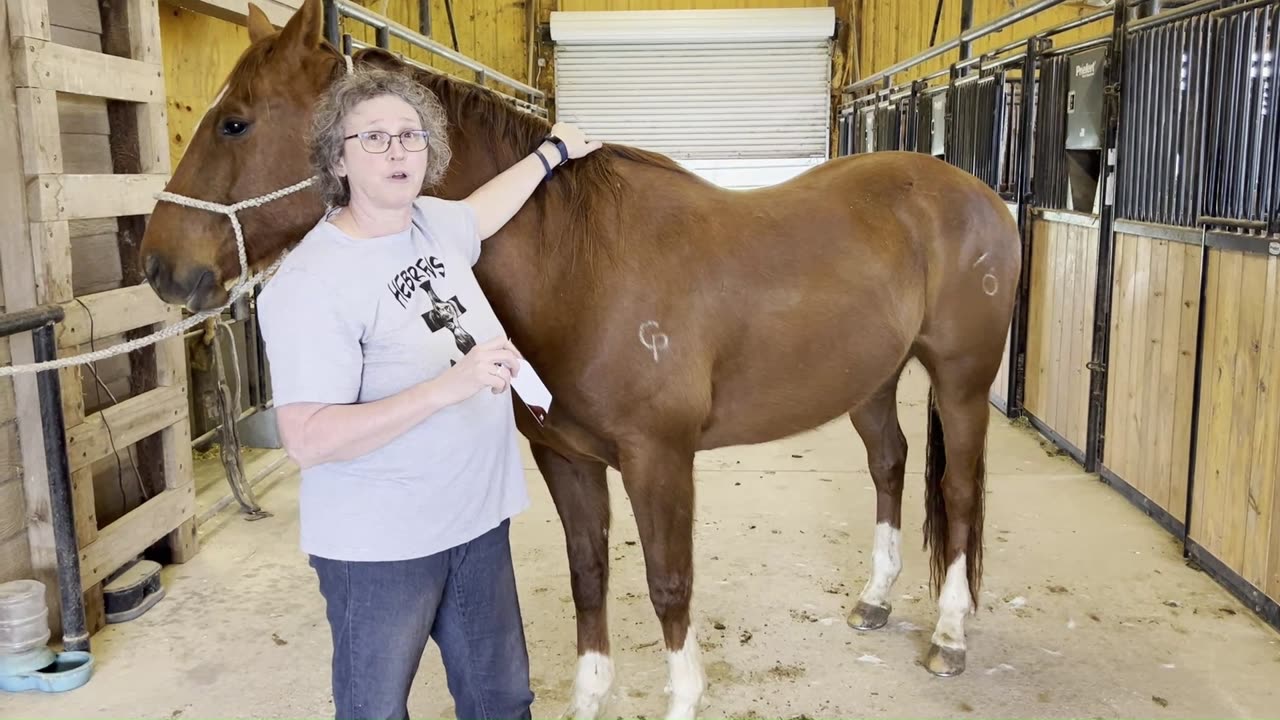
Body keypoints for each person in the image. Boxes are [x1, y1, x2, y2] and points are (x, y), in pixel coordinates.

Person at [255, 65, 601, 720]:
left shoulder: (430, 224)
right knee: (375, 709)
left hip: (475, 525)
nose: (397, 152)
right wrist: (446, 390)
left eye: (410, 136)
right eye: (375, 138)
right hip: (382, 548)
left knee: (502, 699)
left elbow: (485, 209)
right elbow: (308, 439)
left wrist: (554, 152)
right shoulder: (312, 282)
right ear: (337, 156)